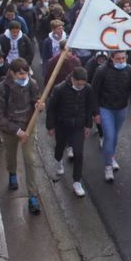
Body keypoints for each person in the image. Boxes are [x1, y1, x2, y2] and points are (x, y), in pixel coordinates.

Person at [0, 57, 45, 215]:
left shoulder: (33, 84)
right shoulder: (2, 89)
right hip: (10, 129)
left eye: (26, 73)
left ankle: (32, 195)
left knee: (30, 159)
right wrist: (16, 131)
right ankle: (12, 172)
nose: (24, 77)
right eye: (20, 74)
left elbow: (36, 100)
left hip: (29, 126)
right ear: (12, 73)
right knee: (11, 155)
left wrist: (39, 106)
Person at [92, 51, 131, 182]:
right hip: (105, 108)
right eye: (118, 59)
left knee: (114, 136)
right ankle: (108, 166)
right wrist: (95, 113)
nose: (121, 61)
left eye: (123, 58)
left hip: (121, 109)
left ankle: (111, 156)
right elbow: (94, 92)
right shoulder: (101, 71)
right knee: (109, 136)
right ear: (111, 58)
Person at [46, 67, 94, 197]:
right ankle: (58, 160)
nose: (80, 87)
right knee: (60, 146)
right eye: (78, 84)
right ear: (72, 79)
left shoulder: (88, 89)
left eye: (83, 84)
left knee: (78, 153)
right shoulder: (59, 89)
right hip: (62, 124)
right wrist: (50, 126)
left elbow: (90, 107)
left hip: (78, 126)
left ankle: (77, 181)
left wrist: (88, 124)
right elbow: (51, 108)